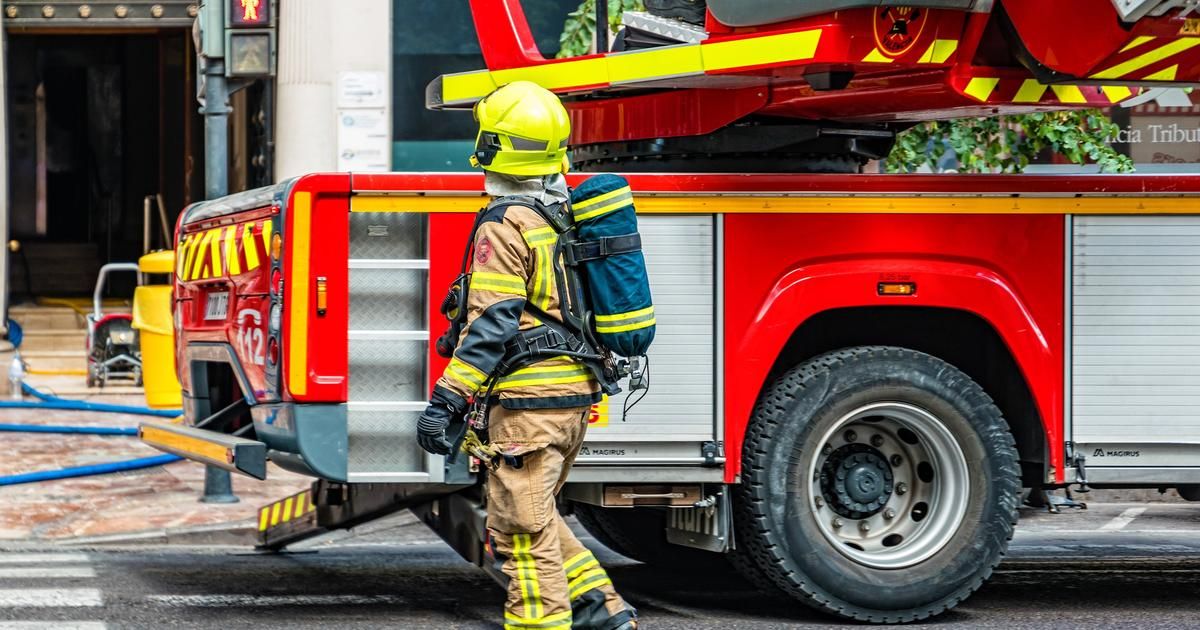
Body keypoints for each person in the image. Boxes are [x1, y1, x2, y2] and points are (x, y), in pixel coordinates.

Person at [416, 81, 638, 630]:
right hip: (570, 398)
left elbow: (491, 322)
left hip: (527, 406)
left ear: (492, 146)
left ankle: (541, 624)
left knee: (520, 532)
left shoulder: (505, 223)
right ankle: (603, 611)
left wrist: (447, 400)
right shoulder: (558, 215)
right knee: (536, 516)